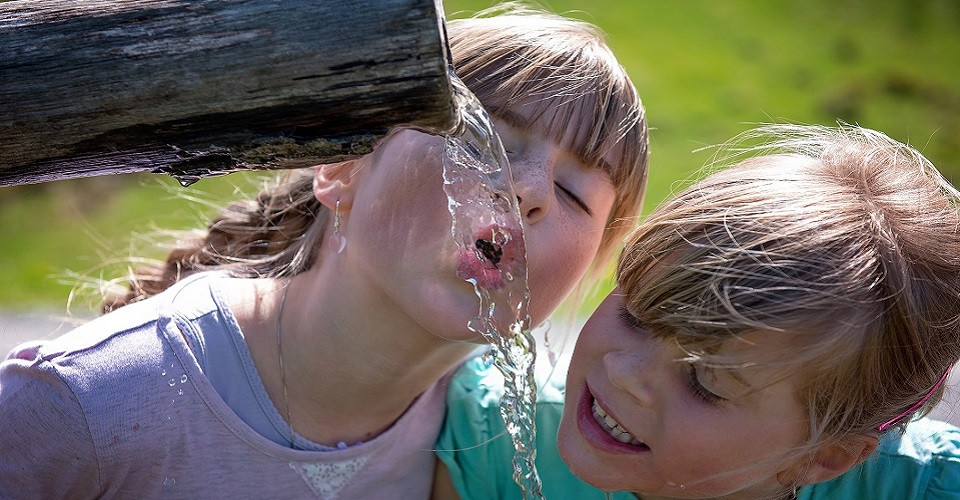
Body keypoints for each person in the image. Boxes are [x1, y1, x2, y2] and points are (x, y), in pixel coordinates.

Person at [0, 5, 649, 499]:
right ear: (342, 168)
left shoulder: (500, 443)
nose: (528, 191)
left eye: (572, 193)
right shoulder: (92, 401)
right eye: (484, 143)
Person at [436, 124, 960, 499]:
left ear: (823, 457)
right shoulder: (494, 442)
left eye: (704, 382)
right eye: (638, 314)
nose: (623, 371)